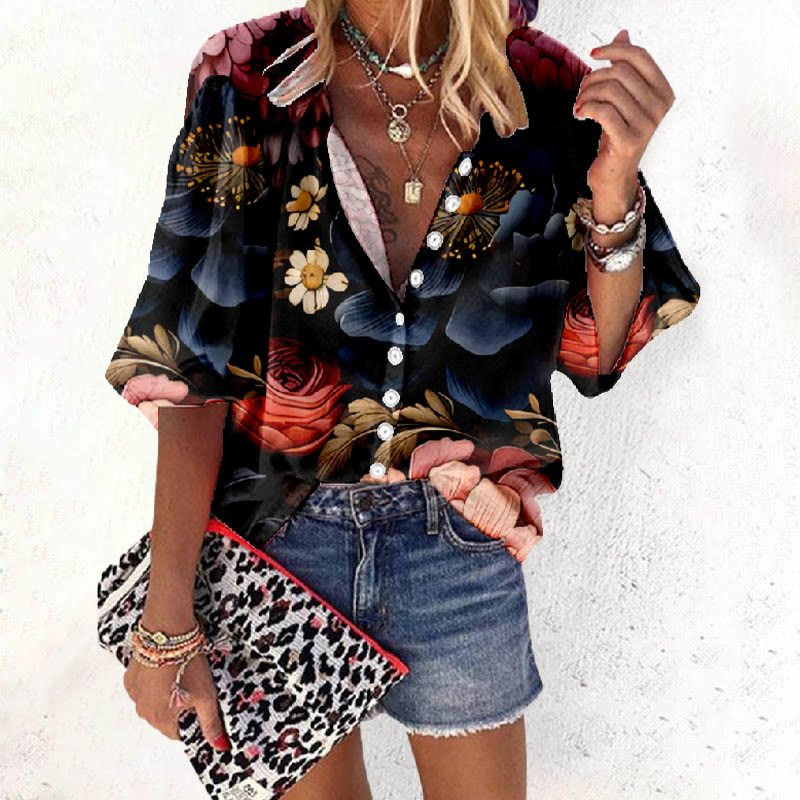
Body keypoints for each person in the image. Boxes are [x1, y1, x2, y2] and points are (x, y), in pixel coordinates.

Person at [106, 0, 701, 797]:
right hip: (277, 547)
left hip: (458, 544)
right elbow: (190, 369)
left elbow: (600, 349)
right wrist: (165, 620)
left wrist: (615, 181)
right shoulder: (246, 76)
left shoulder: (545, 88)